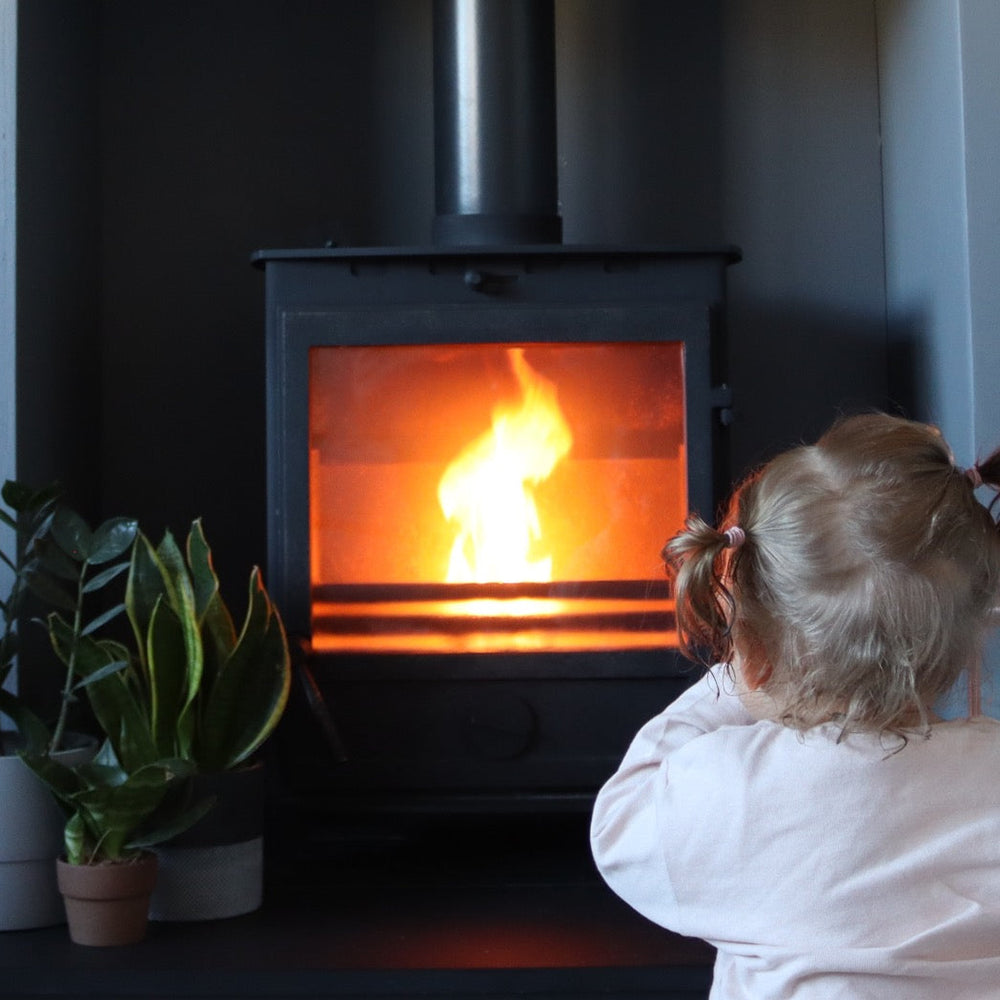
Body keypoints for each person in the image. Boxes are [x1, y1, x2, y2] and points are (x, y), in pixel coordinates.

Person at [591, 413, 1000, 999]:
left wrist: (730, 674)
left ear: (753, 654)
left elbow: (620, 820)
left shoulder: (733, 793)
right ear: (969, 635)